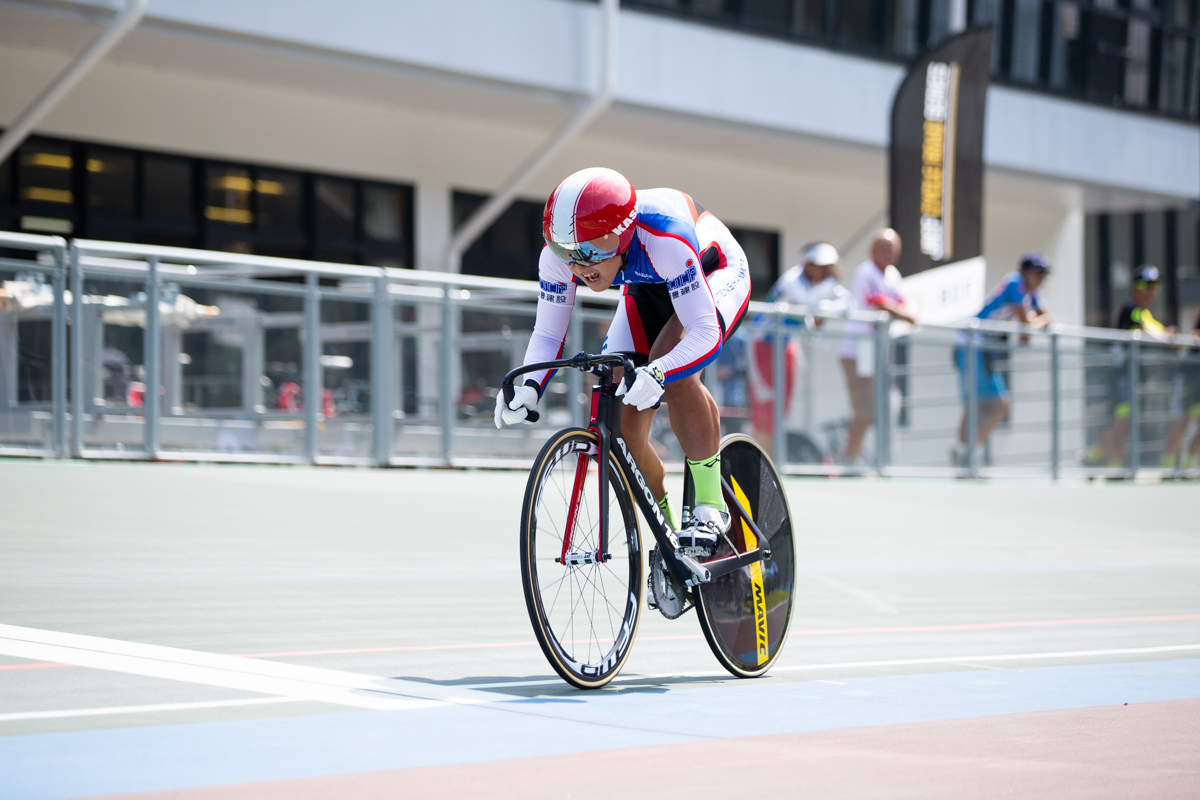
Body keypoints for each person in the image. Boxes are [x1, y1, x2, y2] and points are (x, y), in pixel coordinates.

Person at [495, 167, 751, 553]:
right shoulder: (561, 257)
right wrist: (529, 387)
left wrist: (660, 371)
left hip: (713, 271)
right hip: (648, 283)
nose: (577, 266)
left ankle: (710, 507)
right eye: (566, 251)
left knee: (672, 367)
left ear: (622, 233)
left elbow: (704, 332)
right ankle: (667, 535)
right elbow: (548, 334)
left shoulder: (663, 236)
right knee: (620, 425)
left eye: (589, 252)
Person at [950, 252, 1053, 466]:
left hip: (985, 347)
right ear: (1025, 271)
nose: (1041, 278)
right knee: (976, 403)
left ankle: (965, 453)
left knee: (999, 404)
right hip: (972, 343)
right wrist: (1030, 323)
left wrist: (1030, 323)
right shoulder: (1015, 282)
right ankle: (963, 455)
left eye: (1044, 274)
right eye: (1038, 273)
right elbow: (1026, 321)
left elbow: (1046, 318)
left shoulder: (1031, 291)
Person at [747, 241, 849, 456]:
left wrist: (829, 298)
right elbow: (808, 302)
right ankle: (755, 463)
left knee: (779, 413)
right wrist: (830, 287)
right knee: (766, 413)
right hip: (763, 347)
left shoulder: (821, 286)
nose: (824, 271)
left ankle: (770, 463)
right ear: (807, 264)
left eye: (828, 267)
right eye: (820, 266)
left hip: (784, 348)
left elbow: (847, 303)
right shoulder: (792, 279)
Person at [836, 228, 915, 464]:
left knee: (876, 411)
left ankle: (859, 459)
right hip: (858, 352)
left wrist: (903, 311)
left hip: (878, 354)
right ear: (872, 250)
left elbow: (901, 302)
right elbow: (878, 301)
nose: (887, 253)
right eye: (883, 248)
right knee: (864, 411)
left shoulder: (893, 275)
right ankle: (849, 460)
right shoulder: (866, 272)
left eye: (892, 248)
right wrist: (905, 314)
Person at [1086, 264, 1176, 468]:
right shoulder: (1131, 309)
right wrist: (1167, 338)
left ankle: (1106, 460)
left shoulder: (1145, 313)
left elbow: (1160, 331)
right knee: (1123, 420)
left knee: (1126, 421)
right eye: (1146, 285)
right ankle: (1100, 457)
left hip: (1131, 375)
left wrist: (1171, 336)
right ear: (1135, 288)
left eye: (1154, 286)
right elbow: (1148, 332)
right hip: (1120, 375)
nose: (1150, 291)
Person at [1163, 309, 1200, 471]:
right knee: (1180, 424)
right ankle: (1167, 470)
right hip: (1189, 378)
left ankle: (1189, 469)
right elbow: (1195, 334)